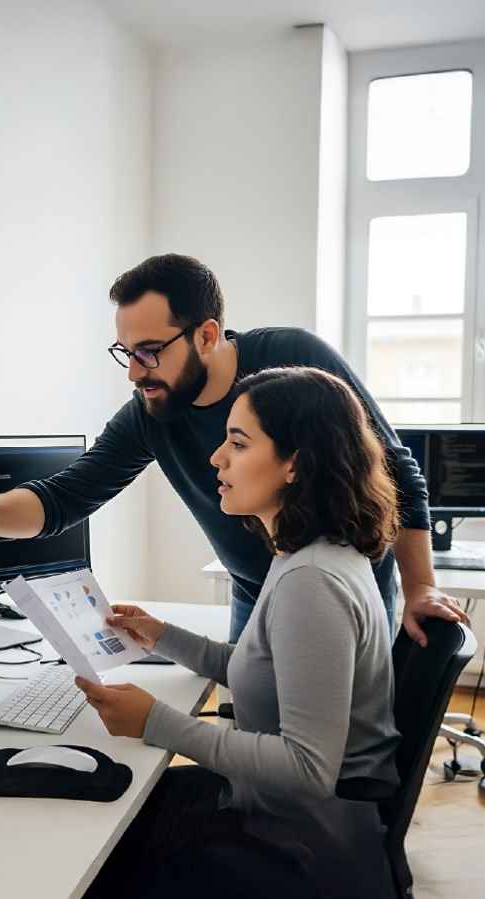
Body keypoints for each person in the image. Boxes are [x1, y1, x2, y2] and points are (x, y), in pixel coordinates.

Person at [0, 253, 465, 645]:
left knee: (330, 753)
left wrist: (419, 588)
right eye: (125, 352)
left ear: (206, 333)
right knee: (250, 726)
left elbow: (395, 469)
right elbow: (63, 499)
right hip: (254, 588)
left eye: (149, 351)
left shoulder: (293, 359)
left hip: (339, 588)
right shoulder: (152, 413)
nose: (135, 372)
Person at [77, 365, 403, 898]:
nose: (216, 458)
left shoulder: (311, 581)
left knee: (101, 847)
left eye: (238, 443)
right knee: (115, 801)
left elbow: (306, 767)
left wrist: (155, 721)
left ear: (294, 464)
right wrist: (162, 635)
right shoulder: (309, 553)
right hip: (285, 815)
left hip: (303, 847)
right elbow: (264, 671)